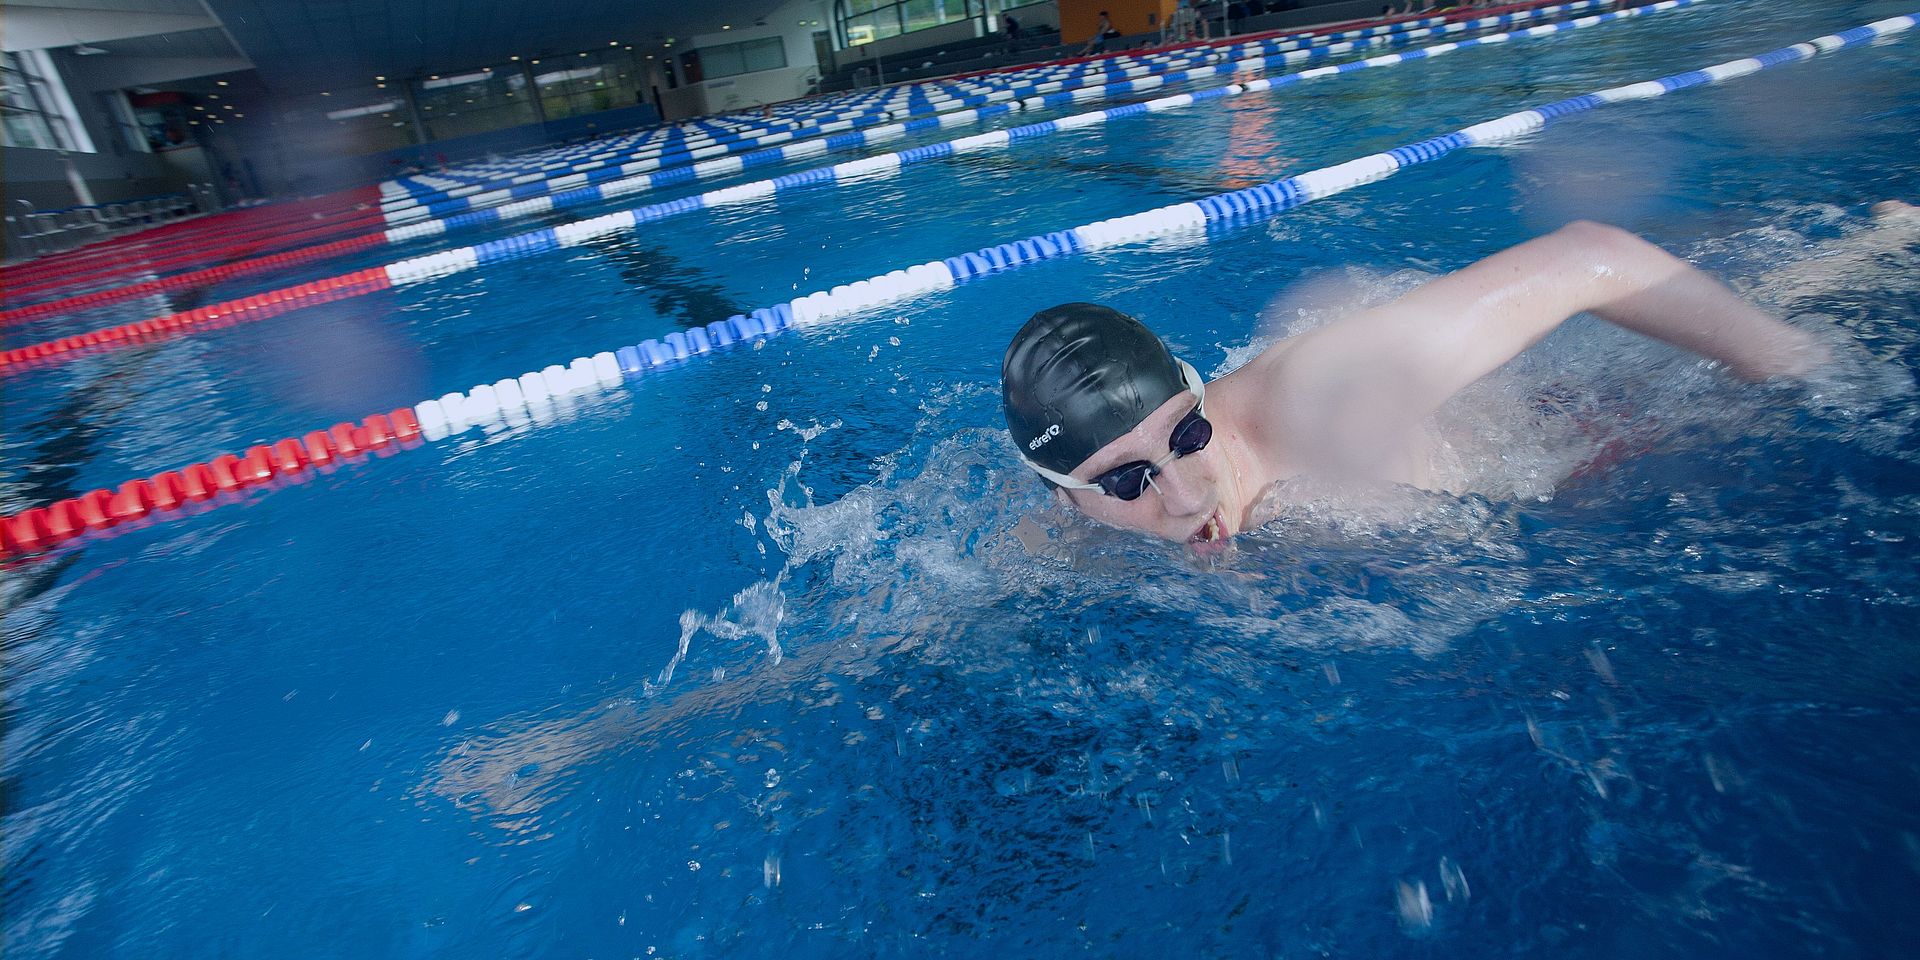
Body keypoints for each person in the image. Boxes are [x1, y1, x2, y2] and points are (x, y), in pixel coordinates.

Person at [1000, 221, 1830, 546]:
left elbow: (1590, 259)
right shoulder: (1079, 536)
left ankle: (1860, 258)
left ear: (1201, 400)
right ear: (1068, 497)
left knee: (1811, 301)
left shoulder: (1315, 398)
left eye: (1187, 434)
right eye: (1127, 479)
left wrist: (1797, 366)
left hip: (1590, 433)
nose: (1182, 495)